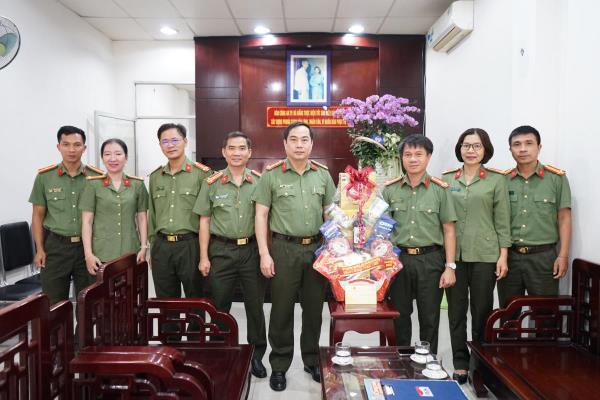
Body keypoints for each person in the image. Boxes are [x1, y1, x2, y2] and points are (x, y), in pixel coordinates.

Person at [253, 122, 336, 391]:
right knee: (281, 309)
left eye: (304, 140)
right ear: (285, 143)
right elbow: (261, 215)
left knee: (313, 309)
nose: (299, 145)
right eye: (294, 140)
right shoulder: (271, 175)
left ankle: (312, 360)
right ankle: (279, 365)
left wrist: (336, 247)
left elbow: (330, 212)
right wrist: (264, 253)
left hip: (316, 250)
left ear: (312, 143)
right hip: (283, 249)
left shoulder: (323, 174)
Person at [194, 131, 267, 378]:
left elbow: (265, 219)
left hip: (251, 250)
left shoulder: (259, 182)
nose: (237, 153)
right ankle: (220, 352)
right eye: (232, 148)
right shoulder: (211, 183)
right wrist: (204, 256)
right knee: (219, 305)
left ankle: (256, 355)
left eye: (242, 148)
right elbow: (204, 221)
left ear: (249, 152)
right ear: (224, 152)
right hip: (221, 251)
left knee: (255, 306)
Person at [441, 128, 511, 384]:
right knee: (456, 311)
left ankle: (479, 361)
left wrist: (503, 255)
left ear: (486, 150)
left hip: (485, 254)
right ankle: (460, 362)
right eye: (466, 145)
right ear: (459, 148)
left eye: (477, 146)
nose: (471, 150)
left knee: (482, 310)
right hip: (454, 257)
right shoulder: (446, 179)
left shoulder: (497, 180)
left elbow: (502, 220)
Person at [382, 134, 457, 354]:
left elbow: (449, 230)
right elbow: (382, 230)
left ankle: (428, 361)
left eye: (418, 154)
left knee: (429, 316)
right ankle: (401, 360)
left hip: (430, 260)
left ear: (428, 157)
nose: (413, 159)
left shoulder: (440, 190)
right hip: (399, 260)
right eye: (407, 154)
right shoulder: (390, 190)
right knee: (399, 315)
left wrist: (450, 267)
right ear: (401, 158)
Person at [29, 125, 104, 305]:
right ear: (58, 147)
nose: (71, 150)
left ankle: (83, 326)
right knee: (54, 304)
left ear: (84, 148)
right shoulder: (45, 177)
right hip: (56, 247)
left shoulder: (97, 177)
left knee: (88, 302)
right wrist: (39, 249)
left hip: (88, 248)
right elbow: (37, 216)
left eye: (77, 145)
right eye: (66, 144)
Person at [498, 125, 571, 307]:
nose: (523, 149)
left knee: (545, 313)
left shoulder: (556, 178)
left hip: (544, 258)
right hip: (510, 257)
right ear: (510, 149)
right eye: (517, 144)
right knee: (508, 312)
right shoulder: (502, 180)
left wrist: (563, 255)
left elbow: (564, 218)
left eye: (529, 143)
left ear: (539, 147)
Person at [147, 123, 212, 310]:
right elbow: (152, 214)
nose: (170, 145)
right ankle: (170, 331)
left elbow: (207, 217)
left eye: (175, 140)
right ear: (160, 145)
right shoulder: (156, 176)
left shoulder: (202, 174)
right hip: (161, 246)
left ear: (185, 141)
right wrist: (152, 247)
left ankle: (195, 330)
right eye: (165, 141)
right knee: (166, 302)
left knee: (195, 300)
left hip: (190, 245)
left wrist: (204, 254)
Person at [80, 138, 149, 275]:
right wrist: (88, 254)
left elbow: (142, 218)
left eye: (118, 154)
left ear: (126, 157)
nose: (113, 158)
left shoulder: (137, 184)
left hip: (131, 251)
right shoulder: (93, 184)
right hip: (101, 253)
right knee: (104, 289)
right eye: (107, 154)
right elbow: (87, 222)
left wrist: (143, 247)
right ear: (102, 158)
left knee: (131, 288)